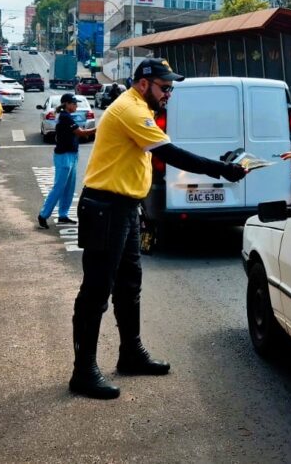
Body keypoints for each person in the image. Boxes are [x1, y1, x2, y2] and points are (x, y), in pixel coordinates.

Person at [70, 58, 247, 400]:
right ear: (142, 84)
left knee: (128, 285)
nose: (169, 93)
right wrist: (222, 170)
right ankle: (83, 371)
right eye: (165, 88)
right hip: (106, 207)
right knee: (96, 291)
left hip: (124, 208)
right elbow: (171, 153)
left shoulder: (140, 108)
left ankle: (131, 353)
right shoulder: (131, 110)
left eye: (171, 88)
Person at [38, 94, 96, 229]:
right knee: (59, 187)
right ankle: (43, 214)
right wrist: (98, 129)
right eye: (74, 103)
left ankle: (63, 214)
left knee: (69, 187)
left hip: (72, 154)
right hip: (64, 156)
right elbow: (81, 133)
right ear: (67, 104)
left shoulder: (68, 116)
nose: (76, 106)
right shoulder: (65, 117)